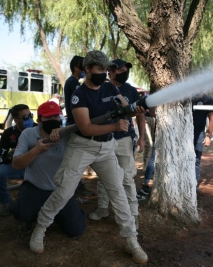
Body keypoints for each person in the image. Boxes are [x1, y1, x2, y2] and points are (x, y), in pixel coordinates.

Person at [29, 50, 148, 264]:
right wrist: (114, 125)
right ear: (87, 69)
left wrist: (135, 109)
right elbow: (85, 128)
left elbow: (125, 108)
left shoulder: (110, 86)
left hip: (106, 148)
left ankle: (131, 240)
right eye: (100, 69)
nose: (104, 73)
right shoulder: (78, 94)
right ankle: (40, 228)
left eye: (106, 69)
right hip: (82, 146)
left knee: (118, 193)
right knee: (64, 191)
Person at [11, 101, 86, 236]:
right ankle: (31, 212)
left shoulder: (68, 134)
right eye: (48, 117)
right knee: (23, 215)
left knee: (76, 230)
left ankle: (64, 212)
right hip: (36, 187)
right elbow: (16, 165)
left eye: (56, 117)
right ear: (39, 120)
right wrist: (36, 150)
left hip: (60, 189)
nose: (53, 120)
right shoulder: (28, 134)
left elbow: (85, 126)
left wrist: (64, 130)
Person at [89, 59, 145, 223]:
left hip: (125, 139)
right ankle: (103, 209)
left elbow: (139, 115)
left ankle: (133, 213)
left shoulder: (131, 90)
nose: (124, 72)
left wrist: (141, 137)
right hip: (104, 139)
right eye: (120, 70)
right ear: (111, 72)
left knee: (127, 177)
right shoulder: (101, 89)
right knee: (104, 176)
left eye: (126, 70)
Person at [0, 104, 34, 216]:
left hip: (36, 166)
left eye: (30, 115)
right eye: (25, 117)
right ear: (16, 120)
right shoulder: (9, 133)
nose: (29, 119)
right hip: (17, 165)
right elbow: (1, 158)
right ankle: (5, 203)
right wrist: (12, 155)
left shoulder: (38, 129)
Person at [63, 55, 94, 200]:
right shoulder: (73, 83)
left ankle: (79, 188)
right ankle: (73, 194)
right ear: (76, 68)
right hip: (74, 124)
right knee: (74, 161)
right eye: (83, 67)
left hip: (74, 123)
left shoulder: (73, 82)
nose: (85, 71)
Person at [192, 93, 213, 192]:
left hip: (200, 133)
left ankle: (195, 183)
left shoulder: (208, 100)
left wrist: (208, 136)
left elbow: (212, 118)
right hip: (185, 133)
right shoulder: (189, 98)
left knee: (196, 159)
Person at [140, 107, 156, 196]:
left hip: (155, 121)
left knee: (153, 152)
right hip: (148, 119)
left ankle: (148, 177)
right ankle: (146, 180)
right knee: (150, 145)